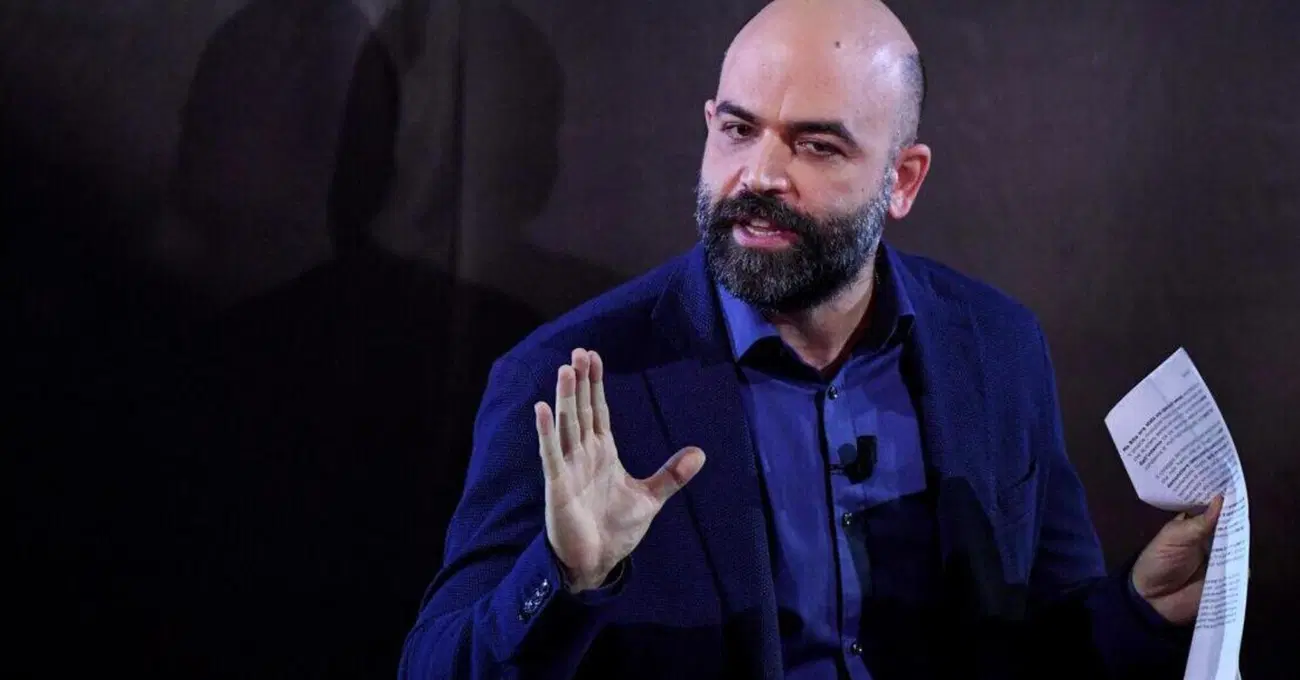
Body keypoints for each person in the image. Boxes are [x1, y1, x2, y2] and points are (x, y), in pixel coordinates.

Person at [399, 0, 1221, 677]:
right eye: (737, 129)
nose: (760, 174)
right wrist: (566, 577)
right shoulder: (572, 380)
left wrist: (1142, 608)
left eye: (816, 145)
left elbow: (1051, 641)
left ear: (902, 180)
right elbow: (434, 667)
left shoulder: (996, 347)